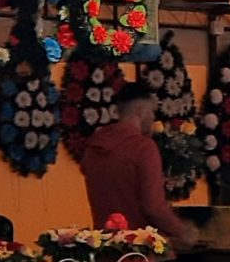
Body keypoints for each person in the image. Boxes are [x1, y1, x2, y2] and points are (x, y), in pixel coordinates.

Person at [78, 84, 197, 249]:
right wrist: (182, 231)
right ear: (141, 111)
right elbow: (153, 208)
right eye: (152, 111)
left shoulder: (93, 149)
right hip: (141, 250)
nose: (153, 117)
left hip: (105, 248)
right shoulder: (143, 148)